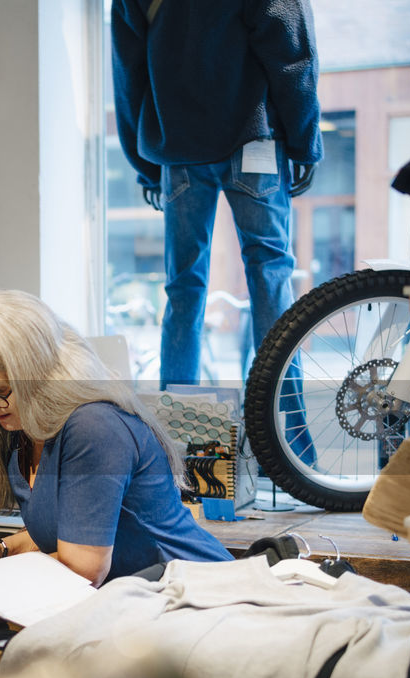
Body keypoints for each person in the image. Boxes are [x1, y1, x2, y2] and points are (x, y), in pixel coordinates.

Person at [0, 291, 231, 585]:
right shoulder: (25, 432)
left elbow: (83, 568)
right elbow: (67, 531)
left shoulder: (92, 427)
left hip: (199, 596)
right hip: (139, 602)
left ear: (36, 373)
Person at [110, 0, 322, 395]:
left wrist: (145, 163)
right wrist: (304, 140)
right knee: (270, 275)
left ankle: (178, 432)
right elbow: (290, 48)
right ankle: (285, 431)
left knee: (183, 288)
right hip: (252, 137)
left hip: (179, 150)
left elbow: (128, 71)